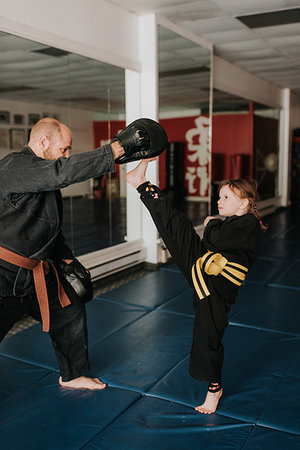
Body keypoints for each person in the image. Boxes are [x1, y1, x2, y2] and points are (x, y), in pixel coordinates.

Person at [0, 117, 167, 390]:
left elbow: (49, 227)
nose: (67, 156)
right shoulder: (14, 166)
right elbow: (62, 172)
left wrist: (66, 258)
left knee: (68, 311)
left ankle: (74, 374)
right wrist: (114, 149)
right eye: (64, 149)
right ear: (43, 142)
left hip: (35, 274)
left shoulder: (44, 179)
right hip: (3, 277)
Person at [126, 158, 267, 414]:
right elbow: (212, 239)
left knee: (208, 335)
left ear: (244, 203)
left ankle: (215, 388)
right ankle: (142, 185)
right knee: (177, 227)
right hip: (205, 270)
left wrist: (212, 222)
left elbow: (215, 237)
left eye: (225, 197)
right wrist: (213, 225)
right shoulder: (235, 223)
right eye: (219, 196)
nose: (219, 201)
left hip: (216, 290)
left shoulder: (249, 224)